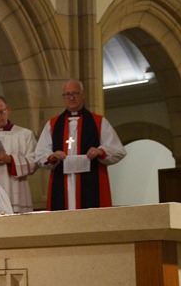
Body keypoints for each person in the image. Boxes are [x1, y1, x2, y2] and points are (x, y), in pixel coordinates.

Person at [35, 79, 126, 210]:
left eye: (75, 93)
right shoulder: (53, 124)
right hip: (62, 182)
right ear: (63, 97)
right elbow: (39, 155)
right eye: (67, 94)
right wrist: (53, 156)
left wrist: (100, 151)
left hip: (91, 183)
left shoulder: (99, 122)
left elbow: (118, 150)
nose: (71, 97)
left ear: (83, 95)